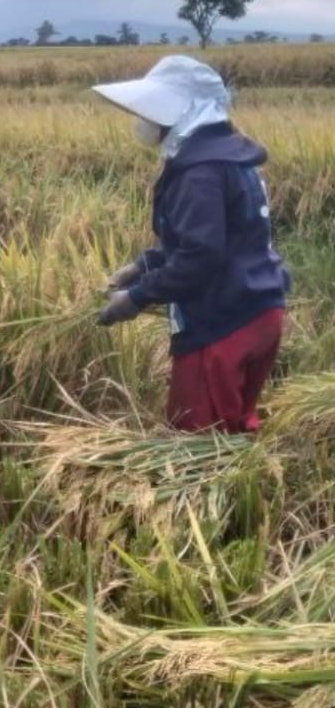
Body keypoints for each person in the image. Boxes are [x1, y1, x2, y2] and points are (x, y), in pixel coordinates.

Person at [93, 55, 289, 433]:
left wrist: (135, 298)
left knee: (199, 441)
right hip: (260, 308)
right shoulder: (230, 157)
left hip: (222, 321)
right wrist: (144, 264)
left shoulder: (199, 173)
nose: (145, 121)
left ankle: (223, 491)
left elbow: (201, 258)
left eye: (153, 112)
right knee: (234, 425)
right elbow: (225, 235)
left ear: (181, 113)